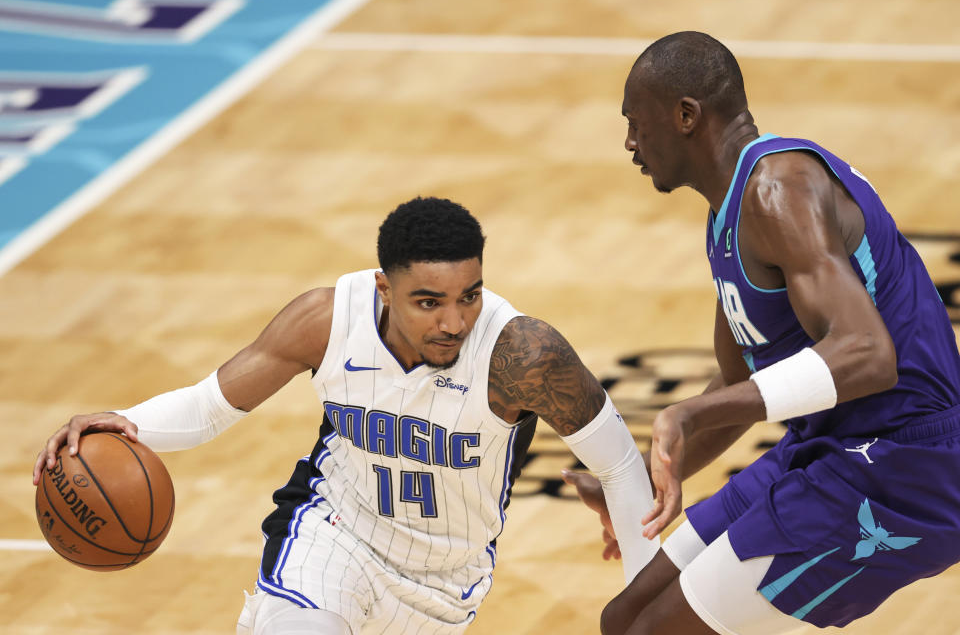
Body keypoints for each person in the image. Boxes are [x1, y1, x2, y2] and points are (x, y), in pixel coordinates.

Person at [33, 197, 659, 635]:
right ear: (385, 290)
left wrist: (643, 614)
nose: (454, 321)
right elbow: (208, 405)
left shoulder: (522, 354)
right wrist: (120, 420)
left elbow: (622, 467)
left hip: (446, 584)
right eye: (428, 302)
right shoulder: (328, 320)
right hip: (334, 535)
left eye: (468, 296)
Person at [564, 31, 960, 635]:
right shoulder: (728, 210)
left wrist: (689, 414)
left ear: (686, 115)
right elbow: (742, 380)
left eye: (636, 123)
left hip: (907, 466)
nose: (629, 143)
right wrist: (642, 486)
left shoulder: (778, 190)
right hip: (829, 449)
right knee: (623, 619)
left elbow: (868, 354)